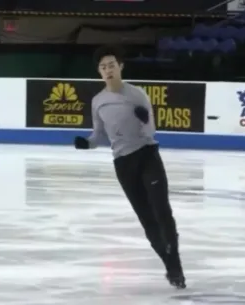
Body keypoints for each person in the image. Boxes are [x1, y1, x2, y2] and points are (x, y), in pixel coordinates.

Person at [73, 45, 186, 289]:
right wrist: (87, 143)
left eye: (111, 65)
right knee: (147, 220)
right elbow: (98, 135)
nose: (108, 70)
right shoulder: (98, 101)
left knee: (161, 211)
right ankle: (169, 266)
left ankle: (175, 262)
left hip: (147, 156)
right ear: (99, 72)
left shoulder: (137, 94)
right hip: (123, 164)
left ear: (121, 66)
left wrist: (144, 120)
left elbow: (150, 130)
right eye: (103, 67)